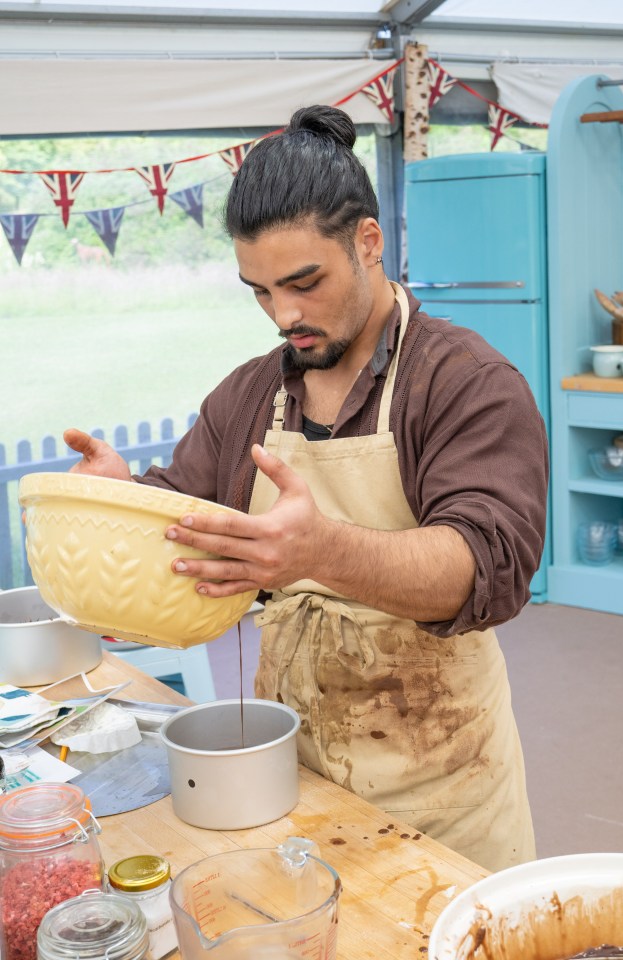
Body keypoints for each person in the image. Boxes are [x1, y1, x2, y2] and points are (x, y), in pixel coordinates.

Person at [65, 104, 548, 872]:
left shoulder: (465, 384)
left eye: (304, 283)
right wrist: (122, 504)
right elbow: (181, 522)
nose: (283, 314)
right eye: (258, 291)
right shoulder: (249, 397)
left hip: (445, 790)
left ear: (368, 241)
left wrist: (322, 549)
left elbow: (486, 566)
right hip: (293, 777)